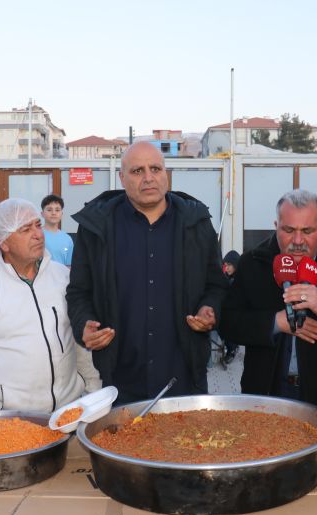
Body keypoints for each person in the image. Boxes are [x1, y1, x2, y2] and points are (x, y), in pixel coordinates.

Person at [66, 141, 227, 404]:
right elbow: (79, 292)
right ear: (122, 177)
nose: (148, 178)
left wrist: (210, 309)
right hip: (121, 380)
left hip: (185, 376)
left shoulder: (196, 223)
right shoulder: (96, 228)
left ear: (166, 173)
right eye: (137, 171)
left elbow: (217, 285)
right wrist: (84, 325)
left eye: (155, 169)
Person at [219, 190, 317, 413]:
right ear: (276, 225)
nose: (297, 241)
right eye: (288, 230)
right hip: (265, 395)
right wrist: (276, 323)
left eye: (307, 231)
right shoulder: (252, 263)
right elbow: (228, 325)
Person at [0, 198, 100, 413]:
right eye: (25, 229)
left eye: (38, 225)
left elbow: (80, 342)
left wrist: (93, 390)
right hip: (12, 422)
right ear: (3, 241)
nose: (38, 234)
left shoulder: (64, 277)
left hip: (69, 412)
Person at [41, 194, 75, 266]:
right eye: (49, 210)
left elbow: (69, 265)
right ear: (42, 214)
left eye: (57, 210)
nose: (53, 213)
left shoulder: (67, 239)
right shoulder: (36, 235)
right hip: (40, 277)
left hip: (62, 276)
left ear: (61, 214)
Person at [221, 250, 241, 364]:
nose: (227, 268)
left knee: (227, 324)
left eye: (229, 265)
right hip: (228, 310)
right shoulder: (227, 277)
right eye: (225, 265)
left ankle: (232, 349)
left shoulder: (239, 278)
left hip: (239, 313)